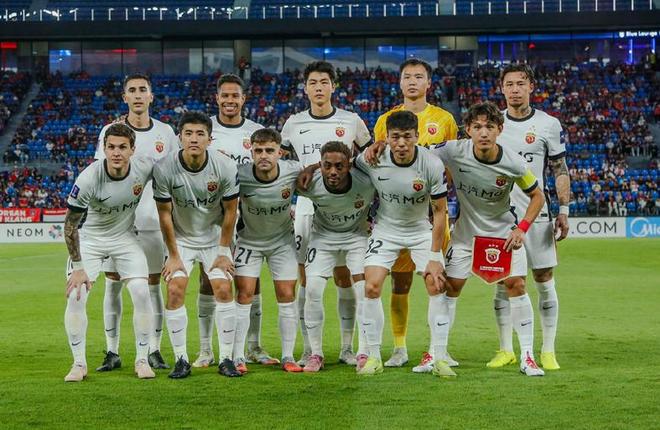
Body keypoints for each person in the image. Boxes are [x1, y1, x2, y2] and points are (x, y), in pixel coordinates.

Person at [429, 101, 546, 377]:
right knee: (450, 287)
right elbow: (419, 153)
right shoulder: (453, 150)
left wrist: (522, 229)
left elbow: (537, 196)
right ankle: (436, 353)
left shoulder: (514, 162)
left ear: (499, 130)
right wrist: (382, 145)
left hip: (503, 235)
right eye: (478, 127)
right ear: (468, 130)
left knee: (517, 285)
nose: (484, 132)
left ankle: (527, 357)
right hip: (465, 237)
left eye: (490, 127)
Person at [365, 58, 458, 371]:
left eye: (419, 76)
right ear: (400, 82)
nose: (413, 81)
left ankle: (437, 351)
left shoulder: (444, 119)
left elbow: (452, 163)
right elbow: (376, 159)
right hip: (396, 216)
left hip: (432, 214)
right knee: (400, 284)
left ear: (429, 83)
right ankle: (399, 347)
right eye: (407, 76)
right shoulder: (385, 120)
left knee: (438, 281)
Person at [281, 61, 372, 366]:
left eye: (324, 82)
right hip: (307, 207)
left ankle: (348, 348)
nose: (318, 88)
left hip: (344, 206)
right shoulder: (293, 123)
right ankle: (310, 349)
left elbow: (367, 160)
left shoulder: (351, 120)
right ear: (305, 88)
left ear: (334, 86)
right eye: (313, 82)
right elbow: (284, 164)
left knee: (345, 277)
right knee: (307, 280)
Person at [191, 73, 278, 369]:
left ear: (244, 99)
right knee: (208, 278)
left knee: (251, 281)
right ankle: (205, 349)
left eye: (235, 96)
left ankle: (254, 346)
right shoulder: (205, 130)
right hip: (212, 217)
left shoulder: (256, 132)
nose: (230, 100)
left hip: (249, 217)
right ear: (217, 98)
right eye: (225, 95)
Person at [353, 110, 449, 376]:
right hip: (386, 230)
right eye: (395, 137)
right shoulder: (372, 158)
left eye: (407, 136)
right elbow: (344, 169)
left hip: (420, 230)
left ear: (417, 136)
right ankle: (373, 357)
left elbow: (440, 212)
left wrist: (434, 256)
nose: (402, 143)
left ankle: (438, 357)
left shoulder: (431, 164)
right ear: (387, 137)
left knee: (436, 283)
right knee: (371, 286)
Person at [95, 73, 179, 372]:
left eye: (143, 89)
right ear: (125, 97)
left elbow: (174, 176)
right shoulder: (111, 131)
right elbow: (100, 175)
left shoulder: (166, 132)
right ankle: (112, 350)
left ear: (151, 96)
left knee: (152, 286)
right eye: (132, 90)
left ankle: (154, 349)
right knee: (113, 285)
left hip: (152, 221)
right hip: (117, 224)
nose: (138, 94)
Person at [491, 64, 571, 370]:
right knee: (503, 281)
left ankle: (548, 350)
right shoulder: (494, 124)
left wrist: (563, 210)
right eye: (509, 84)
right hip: (499, 217)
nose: (515, 89)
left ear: (531, 87)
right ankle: (505, 349)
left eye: (520, 83)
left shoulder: (548, 124)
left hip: (537, 214)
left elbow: (560, 169)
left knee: (544, 278)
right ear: (502, 89)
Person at [63, 123, 155, 382]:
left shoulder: (144, 168)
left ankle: (142, 359)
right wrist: (78, 267)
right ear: (103, 149)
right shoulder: (88, 178)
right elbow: (70, 226)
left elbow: (174, 169)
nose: (116, 152)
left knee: (141, 292)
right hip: (91, 240)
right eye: (111, 147)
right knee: (76, 295)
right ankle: (79, 364)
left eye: (122, 147)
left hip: (125, 239)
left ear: (132, 149)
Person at [152, 111, 240, 379]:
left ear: (209, 139)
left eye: (200, 134)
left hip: (214, 238)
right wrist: (173, 255)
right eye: (188, 133)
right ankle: (181, 360)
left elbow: (231, 211)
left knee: (223, 288)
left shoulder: (225, 166)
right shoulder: (164, 167)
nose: (194, 139)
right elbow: (164, 214)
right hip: (182, 240)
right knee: (175, 289)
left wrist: (224, 251)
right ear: (179, 138)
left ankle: (226, 359)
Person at [297, 141, 375, 372]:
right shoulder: (309, 183)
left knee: (363, 290)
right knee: (312, 289)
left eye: (339, 166)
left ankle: (362, 352)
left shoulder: (366, 182)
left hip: (356, 237)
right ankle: (316, 354)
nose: (333, 171)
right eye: (327, 166)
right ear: (320, 165)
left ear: (349, 165)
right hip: (322, 238)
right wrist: (310, 168)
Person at [232, 128, 304, 373]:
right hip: (249, 242)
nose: (264, 155)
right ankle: (238, 356)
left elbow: (316, 175)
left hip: (282, 243)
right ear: (251, 152)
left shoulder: (293, 171)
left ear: (280, 153)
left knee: (286, 294)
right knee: (244, 294)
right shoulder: (240, 174)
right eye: (258, 150)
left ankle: (288, 356)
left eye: (270, 150)